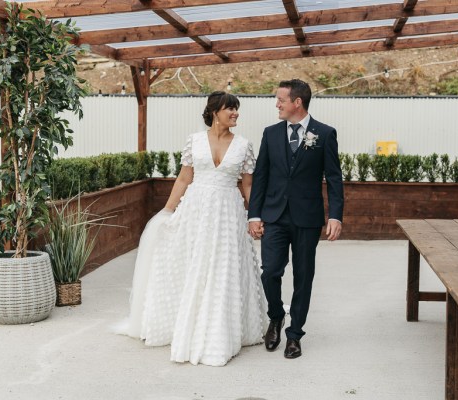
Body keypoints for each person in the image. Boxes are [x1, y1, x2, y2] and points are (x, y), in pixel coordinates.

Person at [117, 91, 267, 367]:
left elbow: (247, 185)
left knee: (223, 268)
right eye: (230, 109)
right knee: (194, 265)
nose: (235, 113)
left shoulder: (244, 145)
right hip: (196, 211)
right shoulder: (194, 141)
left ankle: (221, 333)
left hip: (228, 213)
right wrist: (167, 212)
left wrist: (254, 215)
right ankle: (188, 324)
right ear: (214, 111)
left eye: (237, 109)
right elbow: (185, 178)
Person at [248, 79, 344, 359]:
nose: (276, 104)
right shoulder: (271, 133)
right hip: (274, 216)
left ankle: (294, 334)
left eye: (280, 99)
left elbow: (334, 178)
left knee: (304, 277)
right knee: (271, 271)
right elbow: (261, 176)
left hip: (307, 218)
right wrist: (254, 215)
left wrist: (335, 215)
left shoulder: (325, 134)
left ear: (297, 102)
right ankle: (276, 316)